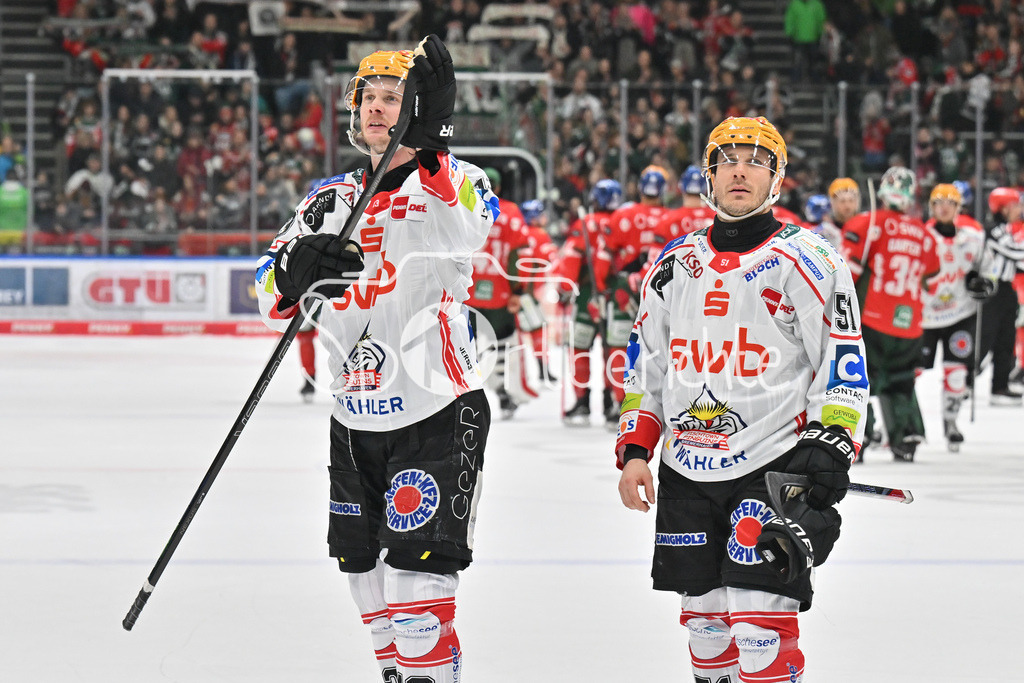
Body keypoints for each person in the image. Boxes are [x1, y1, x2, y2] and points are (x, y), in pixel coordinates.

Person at [256, 37, 498, 683]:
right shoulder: (328, 200)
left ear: (416, 109)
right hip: (354, 411)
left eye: (394, 98)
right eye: (369, 97)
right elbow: (263, 285)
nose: (377, 109)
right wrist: (290, 274)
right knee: (362, 569)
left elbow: (470, 232)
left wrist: (435, 150)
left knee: (416, 587)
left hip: (436, 407)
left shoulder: (459, 181)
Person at [617, 116, 867, 682]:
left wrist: (833, 439)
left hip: (771, 463)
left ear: (776, 178)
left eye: (756, 160)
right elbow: (646, 364)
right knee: (706, 632)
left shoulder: (811, 258)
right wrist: (636, 446)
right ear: (707, 176)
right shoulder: (673, 263)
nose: (739, 170)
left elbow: (844, 358)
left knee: (759, 632)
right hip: (686, 465)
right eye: (726, 159)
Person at [841, 167, 940, 461]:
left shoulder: (867, 224)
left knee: (858, 379)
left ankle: (859, 435)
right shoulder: (924, 234)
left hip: (872, 318)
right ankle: (906, 434)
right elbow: (932, 282)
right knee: (901, 380)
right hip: (910, 323)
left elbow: (848, 273)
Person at [602, 165, 671, 429]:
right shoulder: (670, 217)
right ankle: (659, 409)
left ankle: (620, 405)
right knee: (660, 348)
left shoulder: (623, 214)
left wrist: (605, 288)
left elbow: (605, 256)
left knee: (619, 345)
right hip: (664, 288)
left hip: (623, 289)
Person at [919, 183, 988, 450]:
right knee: (910, 370)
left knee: (957, 373)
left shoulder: (973, 237)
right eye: (938, 202)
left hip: (961, 312)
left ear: (959, 208)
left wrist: (984, 283)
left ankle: (951, 422)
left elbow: (987, 268)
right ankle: (902, 425)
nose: (944, 207)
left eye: (950, 203)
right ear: (931, 208)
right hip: (924, 314)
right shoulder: (922, 237)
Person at [466, 167, 533, 418]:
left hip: (466, 290)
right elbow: (519, 253)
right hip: (499, 292)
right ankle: (504, 396)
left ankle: (462, 393)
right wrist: (519, 289)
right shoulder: (511, 212)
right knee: (502, 344)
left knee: (465, 343)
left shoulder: (463, 207)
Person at [556, 179, 618, 425]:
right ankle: (610, 400)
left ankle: (582, 402)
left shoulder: (586, 224)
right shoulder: (621, 221)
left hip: (585, 296)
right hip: (615, 297)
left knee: (579, 348)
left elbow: (571, 258)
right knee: (613, 350)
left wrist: (564, 289)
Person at [977, 187, 1024, 405]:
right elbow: (1015, 253)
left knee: (1007, 339)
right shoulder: (995, 230)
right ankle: (964, 380)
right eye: (1015, 205)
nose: (1020, 209)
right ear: (1003, 208)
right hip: (992, 290)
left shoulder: (1007, 230)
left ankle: (1000, 386)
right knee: (985, 336)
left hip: (1008, 289)